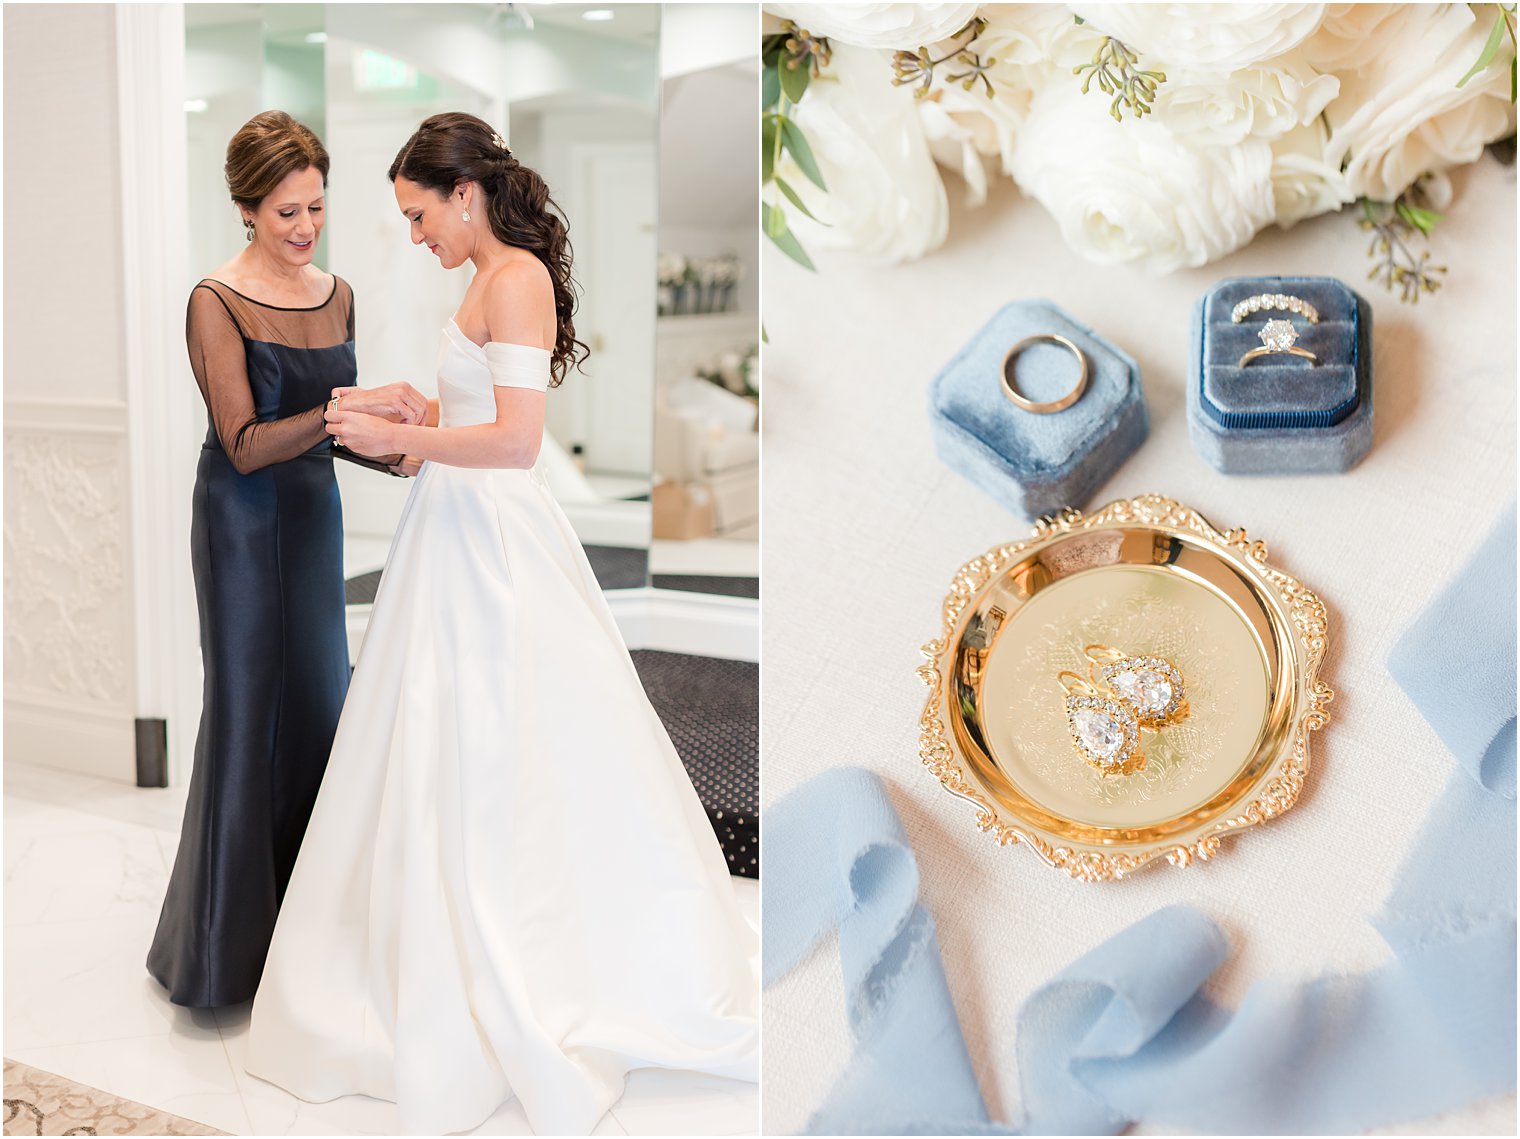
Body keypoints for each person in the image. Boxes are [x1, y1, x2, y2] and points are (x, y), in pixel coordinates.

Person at [243, 112, 759, 1135]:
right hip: (451, 531)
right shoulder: (481, 281)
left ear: (464, 195)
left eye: (416, 211)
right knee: (436, 739)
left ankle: (522, 953)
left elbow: (517, 443)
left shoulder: (514, 276)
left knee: (498, 740)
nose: (412, 233)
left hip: (493, 545)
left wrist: (412, 433)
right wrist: (396, 416)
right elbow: (464, 415)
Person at [148, 111, 426, 1008]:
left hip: (312, 520)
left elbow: (325, 434)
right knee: (245, 714)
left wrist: (396, 445)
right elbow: (243, 441)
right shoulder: (215, 300)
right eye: (285, 214)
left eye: (315, 208)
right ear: (244, 208)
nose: (305, 229)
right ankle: (221, 958)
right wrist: (350, 410)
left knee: (319, 705)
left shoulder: (337, 294)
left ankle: (305, 941)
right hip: (238, 522)